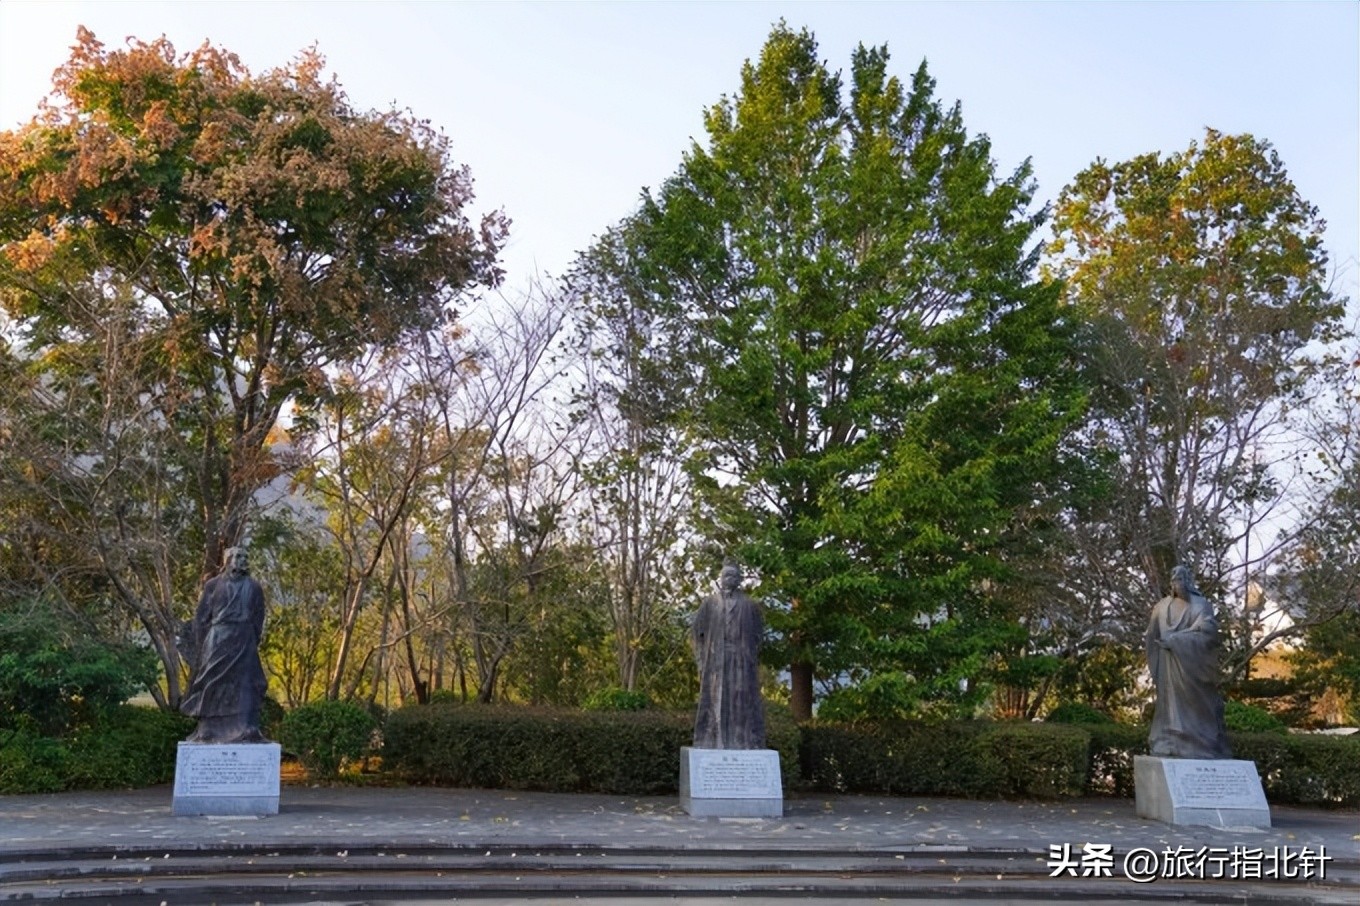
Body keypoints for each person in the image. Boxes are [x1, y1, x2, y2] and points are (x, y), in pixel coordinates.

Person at [180, 547, 269, 743]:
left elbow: (258, 616)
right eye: (236, 556)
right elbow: (201, 617)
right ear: (227, 560)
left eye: (244, 556)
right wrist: (203, 643)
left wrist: (252, 639)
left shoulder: (254, 586)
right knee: (213, 680)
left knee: (246, 681)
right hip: (218, 638)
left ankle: (246, 726)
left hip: (244, 638)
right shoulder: (213, 585)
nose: (240, 560)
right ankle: (208, 728)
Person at [1145, 564, 1231, 759]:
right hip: (1168, 667)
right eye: (1175, 579)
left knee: (1198, 706)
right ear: (1171, 583)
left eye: (1182, 579)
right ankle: (1168, 741)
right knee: (1168, 707)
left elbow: (1208, 633)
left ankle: (1201, 743)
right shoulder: (1160, 607)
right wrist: (1160, 653)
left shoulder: (1201, 605)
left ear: (1189, 581)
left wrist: (1176, 641)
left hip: (1192, 667)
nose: (1178, 583)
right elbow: (1151, 637)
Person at [691, 560, 765, 749]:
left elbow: (758, 635)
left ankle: (743, 741)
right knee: (716, 700)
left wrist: (748, 656)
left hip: (741, 661)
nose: (728, 579)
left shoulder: (749, 605)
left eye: (733, 575)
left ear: (739, 579)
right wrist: (701, 661)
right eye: (725, 575)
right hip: (716, 661)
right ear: (720, 578)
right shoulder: (710, 604)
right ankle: (713, 740)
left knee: (741, 700)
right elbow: (696, 633)